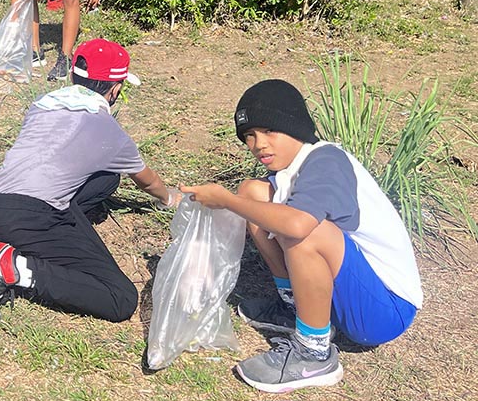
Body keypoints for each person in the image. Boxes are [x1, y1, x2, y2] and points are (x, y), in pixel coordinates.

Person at [181, 79, 422, 393]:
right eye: (249, 136)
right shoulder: (290, 171)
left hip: (385, 310)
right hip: (352, 293)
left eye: (270, 131)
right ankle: (294, 308)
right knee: (253, 193)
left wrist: (226, 200)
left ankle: (314, 353)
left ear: (294, 126)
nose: (259, 145)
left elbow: (297, 227)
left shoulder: (326, 161)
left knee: (303, 231)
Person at [0, 39, 180, 325]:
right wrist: (169, 198)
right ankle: (10, 268)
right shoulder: (108, 131)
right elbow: (147, 180)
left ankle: (11, 236)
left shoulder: (43, 104)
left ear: (73, 75)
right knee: (120, 298)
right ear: (115, 88)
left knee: (106, 180)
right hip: (32, 214)